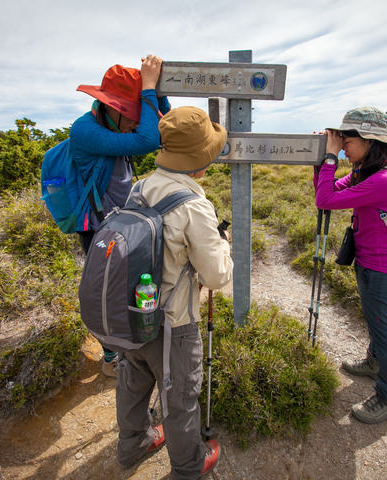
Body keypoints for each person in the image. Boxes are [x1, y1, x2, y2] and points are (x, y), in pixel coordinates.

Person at [115, 106, 232, 478]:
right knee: (179, 397)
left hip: (132, 312)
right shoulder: (194, 206)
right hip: (174, 325)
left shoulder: (140, 187)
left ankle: (132, 444)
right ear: (201, 161)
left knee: (133, 381)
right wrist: (224, 245)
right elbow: (216, 276)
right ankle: (188, 467)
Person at [72, 55, 170, 377]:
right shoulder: (84, 130)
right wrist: (149, 88)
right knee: (106, 289)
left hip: (121, 221)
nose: (133, 121)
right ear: (108, 106)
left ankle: (125, 342)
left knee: (127, 286)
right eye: (129, 113)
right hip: (98, 227)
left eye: (136, 113)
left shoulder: (109, 124)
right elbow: (148, 139)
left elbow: (164, 123)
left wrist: (157, 88)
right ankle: (111, 358)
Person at [313, 107, 387, 424]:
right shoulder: (368, 171)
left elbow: (325, 201)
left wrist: (330, 159)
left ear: (369, 141)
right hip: (369, 260)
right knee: (376, 321)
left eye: (346, 139)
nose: (342, 145)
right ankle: (374, 363)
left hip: (382, 267)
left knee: (385, 331)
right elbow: (326, 191)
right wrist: (322, 162)